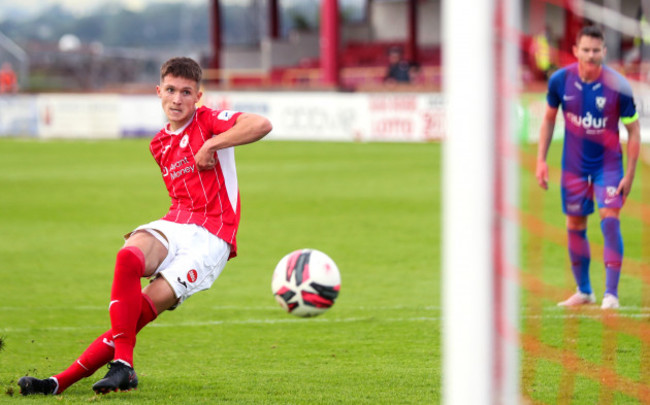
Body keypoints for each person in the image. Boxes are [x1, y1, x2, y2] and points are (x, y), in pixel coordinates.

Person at [17, 57, 272, 395]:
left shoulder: (209, 121)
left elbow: (262, 124)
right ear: (158, 91)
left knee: (137, 313)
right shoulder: (159, 144)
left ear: (198, 96)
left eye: (186, 92)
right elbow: (181, 197)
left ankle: (58, 382)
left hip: (212, 235)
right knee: (128, 258)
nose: (177, 99)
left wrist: (213, 144)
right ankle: (123, 365)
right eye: (170, 90)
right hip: (177, 222)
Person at [536, 25, 640, 310]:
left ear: (604, 52)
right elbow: (547, 120)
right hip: (573, 167)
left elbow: (633, 131)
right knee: (574, 225)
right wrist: (541, 160)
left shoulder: (618, 86)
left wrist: (630, 174)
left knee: (609, 220)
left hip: (608, 166)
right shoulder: (560, 81)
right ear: (575, 51)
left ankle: (611, 294)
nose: (591, 55)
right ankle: (584, 291)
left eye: (596, 50)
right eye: (586, 50)